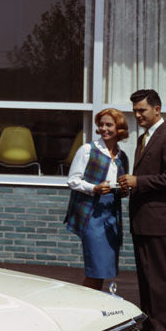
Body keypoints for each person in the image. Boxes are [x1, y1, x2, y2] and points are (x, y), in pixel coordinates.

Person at [117, 89, 166, 331]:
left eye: (142, 110)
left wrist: (139, 181)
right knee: (146, 277)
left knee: (160, 278)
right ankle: (151, 327)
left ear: (157, 109)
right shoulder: (145, 138)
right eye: (135, 111)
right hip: (144, 219)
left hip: (160, 221)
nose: (137, 115)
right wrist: (131, 186)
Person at [64, 108, 130, 290]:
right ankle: (85, 306)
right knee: (96, 269)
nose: (104, 128)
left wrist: (124, 190)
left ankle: (94, 304)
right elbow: (72, 180)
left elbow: (122, 188)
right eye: (101, 125)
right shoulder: (87, 150)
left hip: (112, 214)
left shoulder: (122, 156)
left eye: (109, 125)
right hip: (92, 214)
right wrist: (94, 188)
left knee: (105, 269)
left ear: (119, 128)